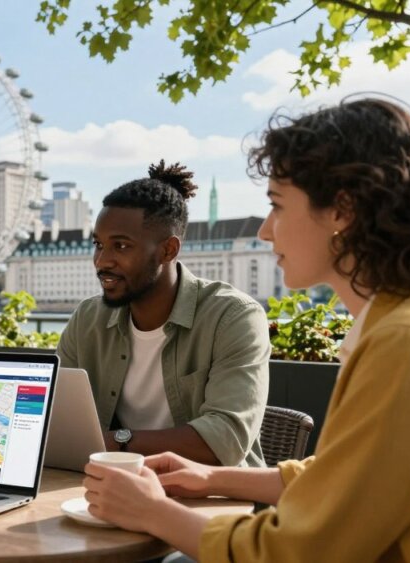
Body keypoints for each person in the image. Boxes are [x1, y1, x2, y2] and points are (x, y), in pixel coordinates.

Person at [83, 98, 410, 561]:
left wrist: (152, 512)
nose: (267, 231)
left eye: (276, 206)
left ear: (342, 211)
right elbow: (350, 474)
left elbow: (299, 550)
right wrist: (213, 477)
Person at [57, 161, 270, 467]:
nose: (102, 261)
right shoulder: (88, 319)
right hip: (109, 484)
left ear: (168, 251)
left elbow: (226, 440)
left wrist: (115, 442)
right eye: (98, 245)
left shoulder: (233, 317)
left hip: (214, 496)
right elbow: (52, 419)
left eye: (120, 246)